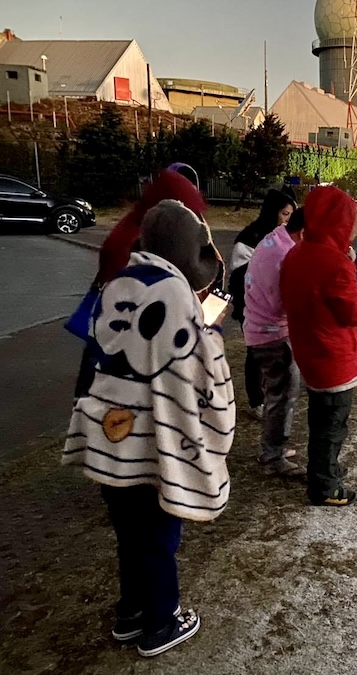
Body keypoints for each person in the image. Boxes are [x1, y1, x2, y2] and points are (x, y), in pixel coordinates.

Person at [63, 199, 235, 658]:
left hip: (108, 433)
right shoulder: (175, 293)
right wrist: (211, 332)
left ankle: (131, 612)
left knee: (128, 532)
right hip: (150, 439)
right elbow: (194, 368)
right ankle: (161, 621)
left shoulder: (119, 280)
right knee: (159, 534)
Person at [281, 186, 357, 506]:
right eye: (351, 220)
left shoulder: (297, 253)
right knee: (332, 425)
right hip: (332, 357)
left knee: (320, 419)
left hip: (309, 350)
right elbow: (353, 313)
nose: (355, 227)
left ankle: (324, 469)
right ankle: (324, 485)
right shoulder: (334, 262)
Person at [73, 167, 208, 399]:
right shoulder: (138, 239)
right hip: (122, 329)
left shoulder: (138, 226)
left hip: (121, 326)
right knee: (103, 386)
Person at [243, 207, 306, 476]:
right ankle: (273, 456)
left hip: (258, 327)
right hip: (272, 334)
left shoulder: (275, 238)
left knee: (275, 392)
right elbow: (285, 301)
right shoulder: (285, 253)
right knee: (283, 393)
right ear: (303, 232)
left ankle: (272, 447)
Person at [227, 187, 296, 420]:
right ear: (271, 212)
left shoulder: (286, 238)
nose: (287, 220)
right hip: (251, 305)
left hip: (276, 308)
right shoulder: (250, 238)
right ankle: (256, 399)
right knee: (255, 353)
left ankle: (272, 393)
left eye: (291, 215)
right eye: (284, 214)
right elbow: (238, 275)